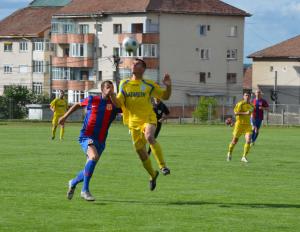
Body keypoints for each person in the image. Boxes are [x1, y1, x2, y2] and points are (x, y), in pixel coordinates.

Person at [110, 58, 172, 191]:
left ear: (143, 69)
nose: (133, 65)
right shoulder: (124, 84)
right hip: (133, 123)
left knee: (150, 136)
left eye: (136, 63)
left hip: (148, 118)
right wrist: (111, 95)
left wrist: (168, 86)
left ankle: (162, 166)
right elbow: (118, 103)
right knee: (141, 153)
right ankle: (153, 174)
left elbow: (165, 97)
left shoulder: (149, 84)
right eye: (132, 63)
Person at [58, 81, 120, 201]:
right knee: (93, 157)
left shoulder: (115, 106)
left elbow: (128, 110)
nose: (110, 90)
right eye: (108, 87)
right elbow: (77, 105)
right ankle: (84, 190)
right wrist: (64, 117)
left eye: (112, 88)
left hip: (101, 140)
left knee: (89, 168)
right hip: (87, 136)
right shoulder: (92, 99)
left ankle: (73, 182)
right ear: (102, 89)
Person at [227, 92, 254, 163]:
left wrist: (252, 122)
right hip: (239, 125)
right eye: (246, 95)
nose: (247, 96)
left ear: (250, 97)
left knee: (248, 140)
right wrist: (245, 113)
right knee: (234, 141)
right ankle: (229, 153)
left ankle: (244, 157)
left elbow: (250, 114)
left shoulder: (252, 105)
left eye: (248, 95)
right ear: (243, 96)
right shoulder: (240, 104)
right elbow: (236, 113)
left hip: (247, 125)